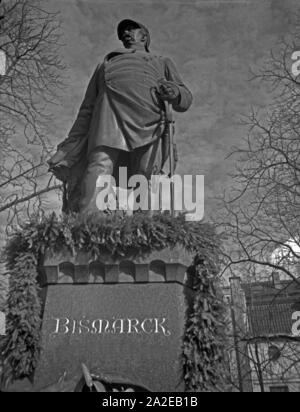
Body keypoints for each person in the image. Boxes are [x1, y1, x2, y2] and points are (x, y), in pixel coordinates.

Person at [48, 19, 193, 213]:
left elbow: (186, 98)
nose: (126, 33)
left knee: (146, 173)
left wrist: (174, 92)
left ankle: (146, 226)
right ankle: (89, 219)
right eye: (123, 31)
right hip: (109, 115)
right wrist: (72, 142)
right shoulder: (106, 64)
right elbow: (87, 107)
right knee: (100, 164)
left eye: (131, 29)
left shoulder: (162, 61)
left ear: (144, 36)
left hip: (151, 121)